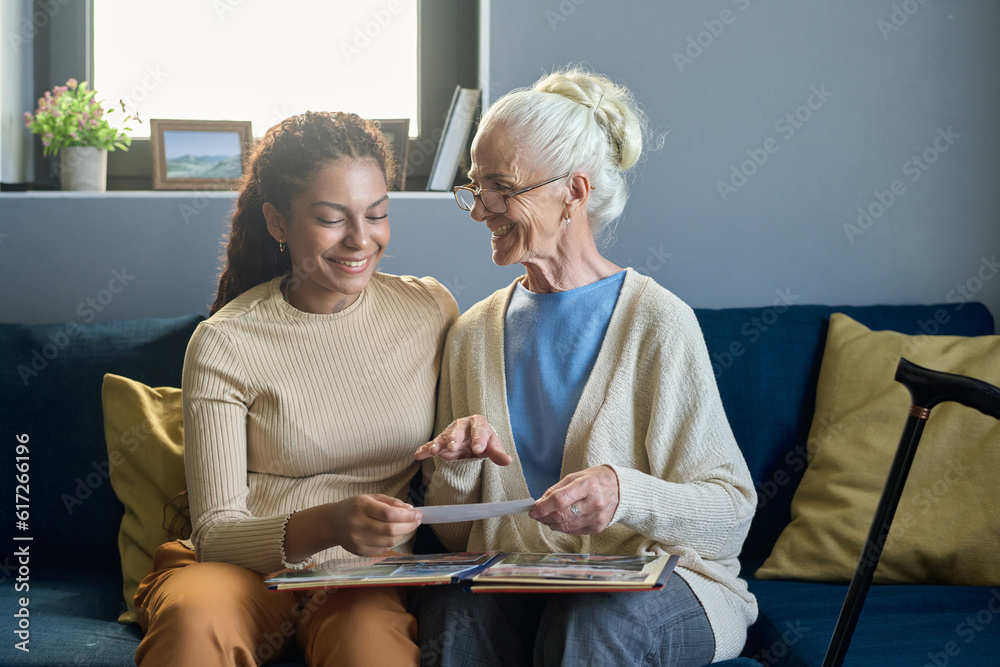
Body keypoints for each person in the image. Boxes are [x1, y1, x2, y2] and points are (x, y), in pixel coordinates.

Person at [414, 67, 758, 665]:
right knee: (453, 611)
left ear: (573, 191)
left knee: (593, 621)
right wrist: (461, 470)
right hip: (523, 585)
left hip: (665, 585)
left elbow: (730, 516)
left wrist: (624, 493)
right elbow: (453, 538)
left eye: (502, 187)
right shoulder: (472, 334)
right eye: (475, 186)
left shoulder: (657, 321)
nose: (479, 211)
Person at [133, 111, 458, 666]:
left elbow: (458, 467)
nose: (361, 239)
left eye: (377, 214)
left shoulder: (430, 311)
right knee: (196, 622)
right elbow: (215, 533)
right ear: (277, 222)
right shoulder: (225, 342)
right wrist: (330, 523)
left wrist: (468, 440)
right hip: (235, 571)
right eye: (332, 219)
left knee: (369, 650)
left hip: (362, 580)